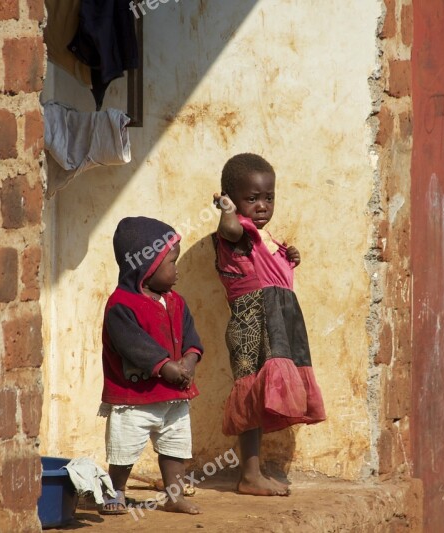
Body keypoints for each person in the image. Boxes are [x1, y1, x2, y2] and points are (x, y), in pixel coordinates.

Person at [212, 153, 326, 496]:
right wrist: (227, 209)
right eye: (252, 198)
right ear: (232, 198)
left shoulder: (267, 237)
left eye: (269, 197)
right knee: (251, 394)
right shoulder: (236, 230)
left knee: (262, 395)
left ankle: (255, 472)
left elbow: (274, 272)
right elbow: (229, 229)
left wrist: (290, 257)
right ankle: (249, 475)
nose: (262, 205)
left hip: (279, 321)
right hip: (253, 321)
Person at [99, 216, 202, 515]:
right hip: (135, 399)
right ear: (145, 266)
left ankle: (174, 495)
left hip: (173, 396)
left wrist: (190, 360)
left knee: (175, 447)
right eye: (171, 262)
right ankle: (115, 490)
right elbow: (132, 345)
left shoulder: (176, 302)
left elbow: (191, 336)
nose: (177, 271)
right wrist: (166, 366)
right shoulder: (121, 305)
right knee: (124, 447)